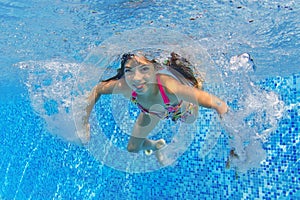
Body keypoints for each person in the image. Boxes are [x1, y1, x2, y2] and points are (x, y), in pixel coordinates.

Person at [83, 52, 228, 164]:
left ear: (156, 68)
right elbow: (97, 89)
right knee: (132, 148)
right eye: (129, 71)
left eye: (144, 69)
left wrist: (234, 142)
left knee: (190, 117)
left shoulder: (170, 87)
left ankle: (196, 82)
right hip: (151, 112)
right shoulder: (125, 86)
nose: (136, 78)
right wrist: (84, 123)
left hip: (182, 111)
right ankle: (156, 146)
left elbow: (219, 104)